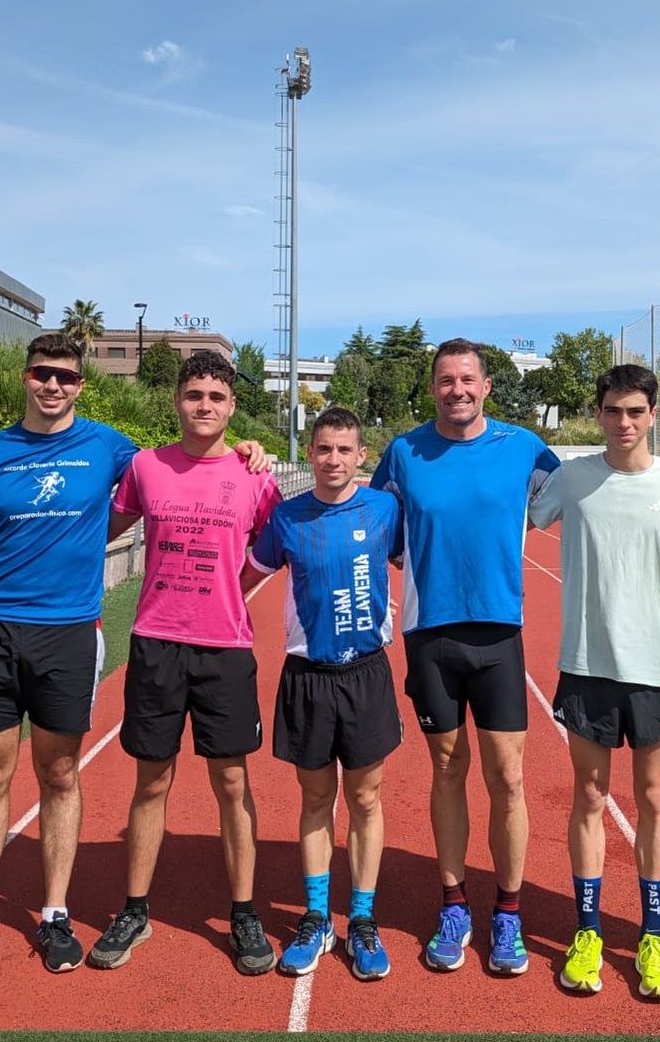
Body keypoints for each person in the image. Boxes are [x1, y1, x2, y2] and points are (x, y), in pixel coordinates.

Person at [0, 333, 138, 983]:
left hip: (68, 633)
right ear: (25, 377)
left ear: (80, 384)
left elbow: (174, 471)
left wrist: (244, 453)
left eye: (66, 377)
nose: (54, 386)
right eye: (43, 374)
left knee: (61, 774)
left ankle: (53, 915)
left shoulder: (107, 445)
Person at [369, 338, 561, 975]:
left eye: (467, 379)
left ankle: (508, 912)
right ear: (433, 389)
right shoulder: (403, 451)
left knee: (507, 778)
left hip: (499, 635)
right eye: (445, 380)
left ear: (485, 386)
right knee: (447, 771)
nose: (457, 389)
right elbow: (372, 521)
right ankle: (454, 904)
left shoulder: (524, 447)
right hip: (431, 636)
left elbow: (590, 488)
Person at [88, 351, 281, 976]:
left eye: (217, 397)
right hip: (156, 642)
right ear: (177, 400)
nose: (205, 406)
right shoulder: (145, 467)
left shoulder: (255, 476)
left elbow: (278, 544)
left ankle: (244, 912)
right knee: (151, 781)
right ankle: (135, 909)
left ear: (231, 406)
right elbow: (99, 531)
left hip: (225, 646)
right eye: (194, 394)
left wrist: (238, 585)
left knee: (231, 783)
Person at [528, 364, 660, 1000]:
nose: (624, 422)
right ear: (598, 413)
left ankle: (653, 938)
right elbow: (519, 516)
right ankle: (587, 932)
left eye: (635, 411)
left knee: (654, 800)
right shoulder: (572, 480)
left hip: (656, 667)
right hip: (585, 664)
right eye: (613, 410)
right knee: (589, 797)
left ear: (653, 414)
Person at [240, 407, 404, 981]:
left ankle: (361, 919)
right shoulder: (286, 518)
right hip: (307, 676)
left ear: (361, 456)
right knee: (314, 800)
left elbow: (423, 555)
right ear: (309, 453)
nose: (333, 460)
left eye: (344, 450)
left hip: (366, 673)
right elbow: (246, 578)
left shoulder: (385, 509)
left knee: (365, 799)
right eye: (323, 449)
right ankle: (316, 918)